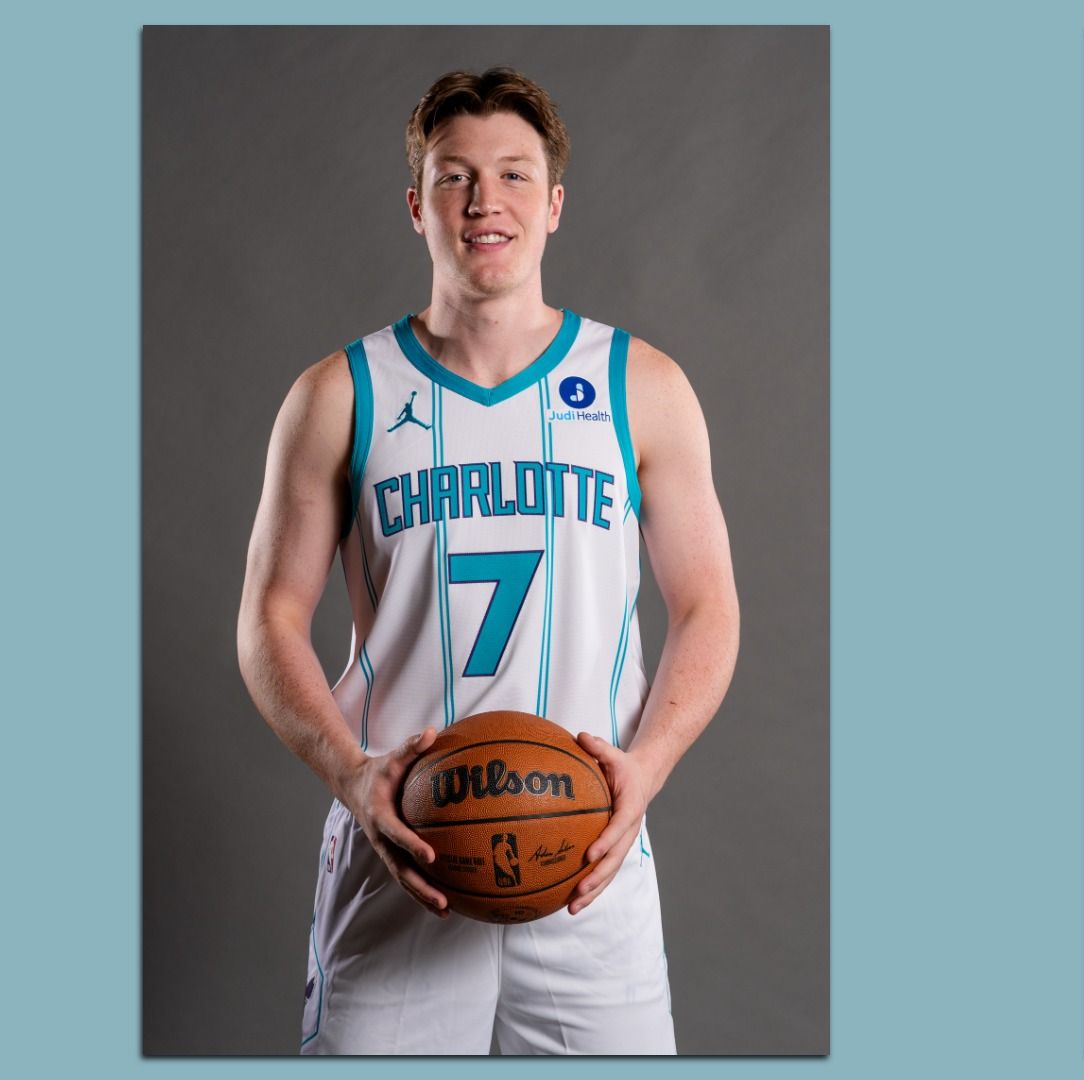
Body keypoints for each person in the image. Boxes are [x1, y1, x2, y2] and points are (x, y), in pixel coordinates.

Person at [236, 67, 739, 1055]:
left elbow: (709, 607)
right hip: (403, 852)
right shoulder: (339, 394)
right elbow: (268, 623)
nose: (483, 202)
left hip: (588, 852)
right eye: (455, 176)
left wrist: (649, 765)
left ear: (553, 204)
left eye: (513, 175)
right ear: (416, 202)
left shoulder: (642, 386)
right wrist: (352, 775)